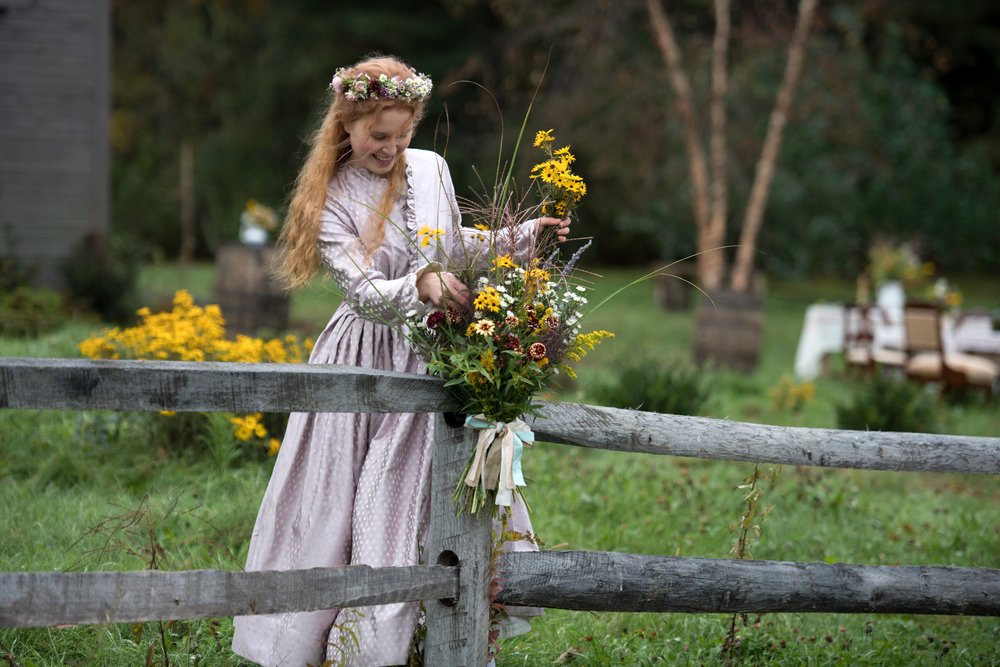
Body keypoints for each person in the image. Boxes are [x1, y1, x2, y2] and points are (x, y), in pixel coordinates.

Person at [231, 55, 570, 666]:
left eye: (402, 134)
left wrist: (519, 239)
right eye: (376, 136)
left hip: (435, 351)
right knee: (348, 499)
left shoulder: (431, 169)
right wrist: (419, 285)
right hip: (366, 357)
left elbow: (451, 243)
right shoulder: (329, 197)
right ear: (346, 125)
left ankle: (436, 636)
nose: (390, 148)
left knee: (427, 492)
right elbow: (363, 291)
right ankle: (345, 644)